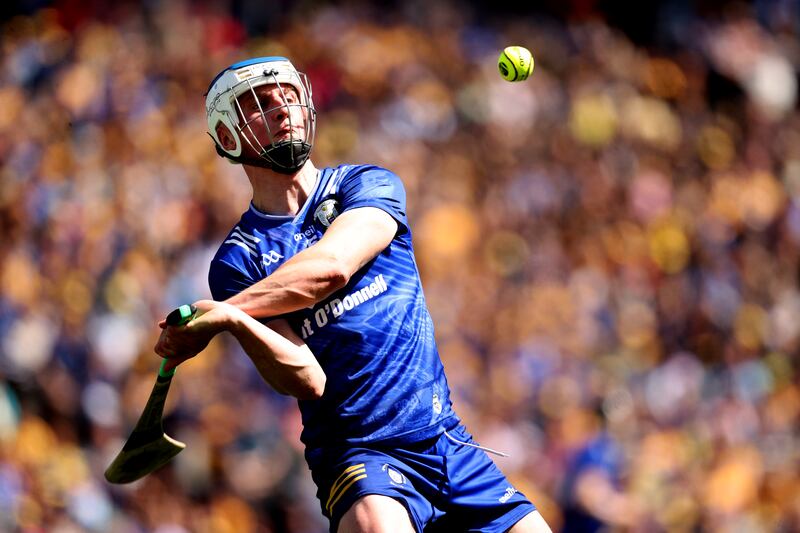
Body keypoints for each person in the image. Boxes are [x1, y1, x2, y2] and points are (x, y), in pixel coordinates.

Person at [155, 56, 552, 533]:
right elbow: (306, 379)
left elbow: (331, 270)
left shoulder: (365, 184)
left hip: (446, 440)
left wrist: (217, 316)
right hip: (360, 453)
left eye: (288, 97)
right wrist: (233, 321)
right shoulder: (238, 261)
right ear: (227, 137)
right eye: (261, 104)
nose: (283, 110)